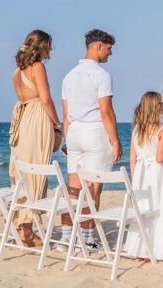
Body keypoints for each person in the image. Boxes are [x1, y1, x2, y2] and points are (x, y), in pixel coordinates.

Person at [58, 29, 122, 252]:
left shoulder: (69, 76)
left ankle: (66, 238)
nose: (110, 53)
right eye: (109, 48)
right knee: (93, 188)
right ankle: (87, 238)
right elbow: (106, 112)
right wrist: (115, 140)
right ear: (98, 47)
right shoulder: (102, 75)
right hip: (94, 132)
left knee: (73, 188)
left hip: (74, 132)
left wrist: (67, 140)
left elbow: (65, 115)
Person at [8, 30, 62, 247]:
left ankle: (22, 228)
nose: (51, 50)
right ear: (42, 47)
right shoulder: (38, 67)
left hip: (23, 120)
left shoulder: (17, 71)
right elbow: (46, 99)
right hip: (37, 119)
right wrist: (57, 124)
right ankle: (27, 232)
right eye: (49, 46)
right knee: (35, 173)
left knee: (24, 173)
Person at [123, 92, 163, 261]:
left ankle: (140, 250)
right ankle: (153, 250)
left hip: (141, 174)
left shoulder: (137, 129)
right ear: (157, 107)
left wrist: (135, 178)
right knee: (158, 209)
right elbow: (160, 158)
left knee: (143, 209)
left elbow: (132, 158)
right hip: (157, 174)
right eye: (162, 103)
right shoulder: (162, 130)